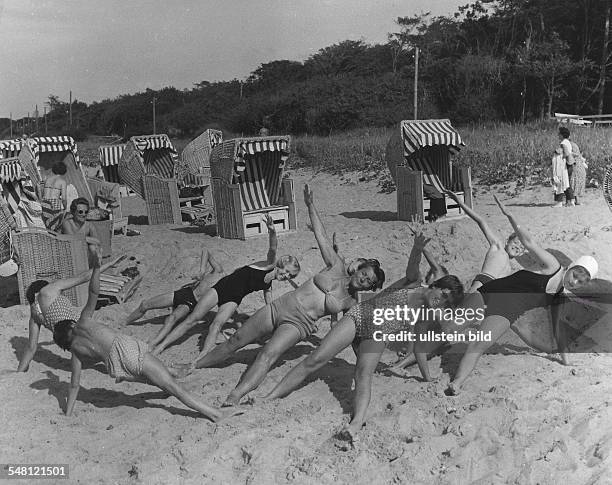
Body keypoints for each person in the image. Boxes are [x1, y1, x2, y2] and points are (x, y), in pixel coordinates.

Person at [188, 185, 386, 407]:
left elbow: (350, 335)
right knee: (236, 340)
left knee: (267, 354)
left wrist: (365, 361)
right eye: (365, 274)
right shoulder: (335, 266)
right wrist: (310, 205)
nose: (364, 280)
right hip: (281, 306)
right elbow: (320, 234)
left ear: (370, 287)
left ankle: (236, 395)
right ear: (360, 269)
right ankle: (196, 365)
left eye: (369, 282)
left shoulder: (351, 303)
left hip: (299, 325)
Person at [264, 274, 463, 443]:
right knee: (315, 359)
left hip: (378, 333)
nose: (442, 301)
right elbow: (413, 267)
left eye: (447, 302)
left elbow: (419, 347)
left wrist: (426, 377)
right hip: (360, 315)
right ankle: (269, 397)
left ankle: (356, 423)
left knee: (363, 374)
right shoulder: (414, 284)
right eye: (443, 295)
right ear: (435, 286)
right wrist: (418, 247)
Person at [51, 254, 236, 421]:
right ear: (71, 325)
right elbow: (93, 293)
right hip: (127, 351)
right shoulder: (82, 322)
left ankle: (168, 374)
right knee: (173, 387)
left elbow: (74, 385)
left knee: (160, 379)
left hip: (118, 367)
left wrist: (67, 413)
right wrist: (97, 268)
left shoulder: (75, 353)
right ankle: (215, 414)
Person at [447, 194, 598, 395]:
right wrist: (510, 216)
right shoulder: (553, 266)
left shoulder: (558, 298)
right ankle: (410, 354)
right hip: (492, 290)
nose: (575, 281)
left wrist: (566, 361)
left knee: (478, 343)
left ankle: (456, 383)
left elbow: (558, 331)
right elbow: (529, 242)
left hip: (507, 311)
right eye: (576, 275)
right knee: (448, 328)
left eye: (581, 281)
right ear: (572, 267)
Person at [131, 215, 300, 356]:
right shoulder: (269, 265)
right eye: (285, 271)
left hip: (234, 299)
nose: (285, 276)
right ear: (281, 264)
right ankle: (160, 346)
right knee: (192, 319)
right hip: (221, 288)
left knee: (216, 325)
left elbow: (269, 305)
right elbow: (272, 247)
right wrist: (272, 231)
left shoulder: (268, 285)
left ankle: (202, 357)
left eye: (288, 276)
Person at [17, 252, 123, 372]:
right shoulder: (49, 289)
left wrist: (19, 372)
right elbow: (84, 277)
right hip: (83, 331)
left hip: (75, 346)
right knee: (113, 349)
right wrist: (109, 264)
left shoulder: (34, 314)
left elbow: (31, 347)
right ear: (42, 286)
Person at [444, 190, 524, 292]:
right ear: (507, 241)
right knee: (468, 305)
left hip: (493, 291)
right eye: (516, 242)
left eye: (521, 248)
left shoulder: (509, 268)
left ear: (521, 253)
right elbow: (481, 221)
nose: (517, 247)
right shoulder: (498, 246)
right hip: (484, 281)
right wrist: (460, 203)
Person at [41, 161, 68, 231]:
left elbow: (43, 193)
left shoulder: (47, 179)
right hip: (54, 205)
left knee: (46, 223)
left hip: (44, 203)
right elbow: (64, 199)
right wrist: (65, 207)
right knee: (57, 224)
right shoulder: (62, 182)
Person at [558, 126, 575, 206]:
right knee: (567, 182)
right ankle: (569, 201)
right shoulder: (567, 141)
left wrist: (561, 157)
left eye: (559, 134)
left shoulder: (563, 143)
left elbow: (566, 153)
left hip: (567, 164)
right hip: (571, 163)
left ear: (562, 135)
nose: (558, 135)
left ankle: (571, 200)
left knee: (565, 182)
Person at [569, 140, 587, 205]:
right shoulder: (573, 145)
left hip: (576, 166)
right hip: (579, 167)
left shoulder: (569, 145)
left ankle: (574, 200)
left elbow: (573, 154)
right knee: (575, 183)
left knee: (574, 183)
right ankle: (576, 200)